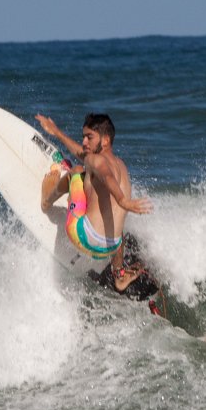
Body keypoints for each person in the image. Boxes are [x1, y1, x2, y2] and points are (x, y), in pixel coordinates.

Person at [35, 112, 152, 289]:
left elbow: (104, 174)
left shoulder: (95, 161)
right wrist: (57, 133)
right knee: (111, 214)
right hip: (111, 247)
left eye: (89, 137)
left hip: (83, 238)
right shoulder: (121, 165)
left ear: (105, 140)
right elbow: (89, 159)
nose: (84, 142)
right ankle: (119, 274)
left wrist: (122, 200)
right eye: (83, 137)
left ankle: (46, 201)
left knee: (76, 171)